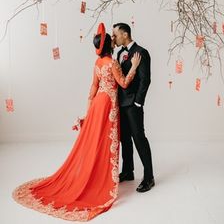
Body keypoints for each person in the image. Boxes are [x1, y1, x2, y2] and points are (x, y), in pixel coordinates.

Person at [12, 23, 141, 221]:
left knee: (96, 140)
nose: (114, 40)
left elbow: (93, 88)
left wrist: (87, 114)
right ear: (109, 45)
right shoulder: (111, 63)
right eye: (112, 39)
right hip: (108, 106)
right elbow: (123, 83)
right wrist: (133, 66)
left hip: (98, 102)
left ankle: (100, 174)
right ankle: (102, 179)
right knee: (105, 142)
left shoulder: (98, 63)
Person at [112, 22, 155, 193]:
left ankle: (149, 177)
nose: (113, 37)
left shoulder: (141, 52)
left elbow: (145, 80)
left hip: (133, 105)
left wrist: (138, 102)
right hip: (120, 104)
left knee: (139, 138)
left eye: (115, 34)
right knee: (124, 139)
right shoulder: (120, 53)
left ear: (125, 34)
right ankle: (128, 171)